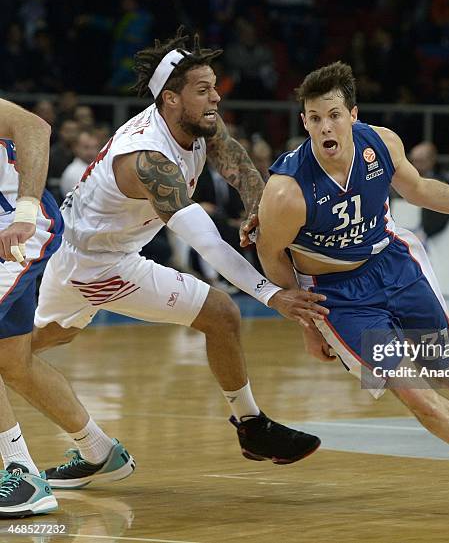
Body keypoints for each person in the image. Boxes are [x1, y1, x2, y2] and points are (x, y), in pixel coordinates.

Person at [20, 28, 327, 491]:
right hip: (92, 264)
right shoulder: (148, 159)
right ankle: (242, 426)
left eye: (215, 87)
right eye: (203, 91)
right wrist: (272, 294)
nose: (215, 99)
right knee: (221, 312)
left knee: (35, 345)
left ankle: (112, 448)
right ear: (169, 99)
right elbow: (209, 244)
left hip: (111, 252)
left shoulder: (199, 120)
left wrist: (258, 204)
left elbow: (235, 160)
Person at [256, 62, 449, 524]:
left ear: (353, 114)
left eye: (333, 115)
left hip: (396, 266)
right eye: (314, 118)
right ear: (304, 122)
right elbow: (271, 253)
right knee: (416, 395)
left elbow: (419, 189)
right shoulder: (286, 192)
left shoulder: (383, 142)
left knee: (447, 372)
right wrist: (306, 323)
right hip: (340, 296)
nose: (324, 127)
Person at [0, 98, 63, 517]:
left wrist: (23, 211)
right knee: (14, 360)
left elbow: (35, 129)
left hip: (18, 226)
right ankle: (98, 449)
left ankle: (22, 474)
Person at [60, 130, 99, 197]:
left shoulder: (97, 167)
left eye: (95, 147)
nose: (92, 152)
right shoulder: (73, 172)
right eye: (86, 147)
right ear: (75, 148)